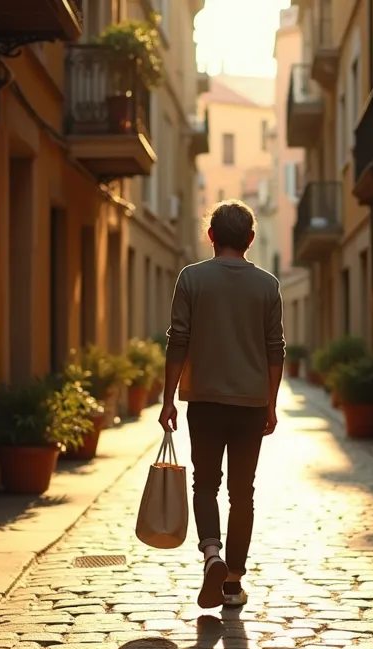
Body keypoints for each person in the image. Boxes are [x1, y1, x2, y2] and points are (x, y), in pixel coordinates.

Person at [159, 199, 285, 610]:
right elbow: (275, 349)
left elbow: (177, 340)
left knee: (205, 483)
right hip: (251, 402)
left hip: (206, 401)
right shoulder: (267, 284)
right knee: (242, 492)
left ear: (211, 236)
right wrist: (271, 404)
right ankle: (231, 583)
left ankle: (211, 553)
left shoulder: (191, 278)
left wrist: (167, 400)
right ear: (250, 239)